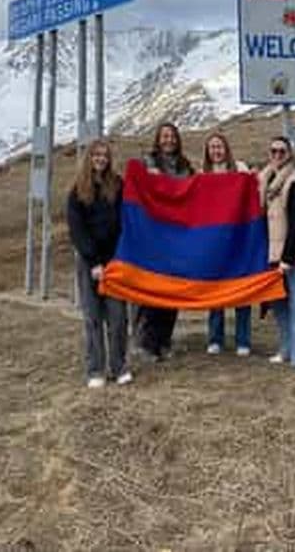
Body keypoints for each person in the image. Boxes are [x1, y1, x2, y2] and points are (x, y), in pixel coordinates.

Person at [66, 139, 132, 389]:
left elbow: (126, 219)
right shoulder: (77, 191)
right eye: (96, 155)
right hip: (89, 263)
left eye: (104, 155)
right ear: (89, 158)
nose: (100, 159)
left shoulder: (117, 185)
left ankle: (119, 366)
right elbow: (77, 229)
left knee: (117, 318)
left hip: (115, 262)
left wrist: (118, 257)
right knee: (92, 317)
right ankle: (95, 369)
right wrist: (93, 261)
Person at [258, 135, 295, 381]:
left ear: (290, 154)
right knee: (280, 307)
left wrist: (287, 259)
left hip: (289, 258)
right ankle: (286, 348)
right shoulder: (269, 183)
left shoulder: (293, 183)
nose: (277, 155)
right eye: (273, 151)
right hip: (273, 256)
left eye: (282, 151)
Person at [135, 122, 195, 361]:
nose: (168, 140)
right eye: (164, 136)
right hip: (154, 234)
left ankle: (164, 340)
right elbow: (137, 186)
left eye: (172, 136)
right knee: (153, 289)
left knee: (173, 290)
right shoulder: (148, 162)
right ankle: (147, 343)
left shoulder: (186, 166)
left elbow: (196, 191)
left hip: (177, 235)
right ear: (158, 139)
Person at [202, 132, 252, 357]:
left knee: (242, 288)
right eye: (212, 147)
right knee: (216, 290)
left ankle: (243, 340)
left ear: (226, 148)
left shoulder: (239, 168)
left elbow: (253, 192)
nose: (216, 151)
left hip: (239, 238)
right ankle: (215, 338)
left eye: (219, 146)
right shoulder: (203, 174)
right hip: (214, 241)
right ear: (208, 151)